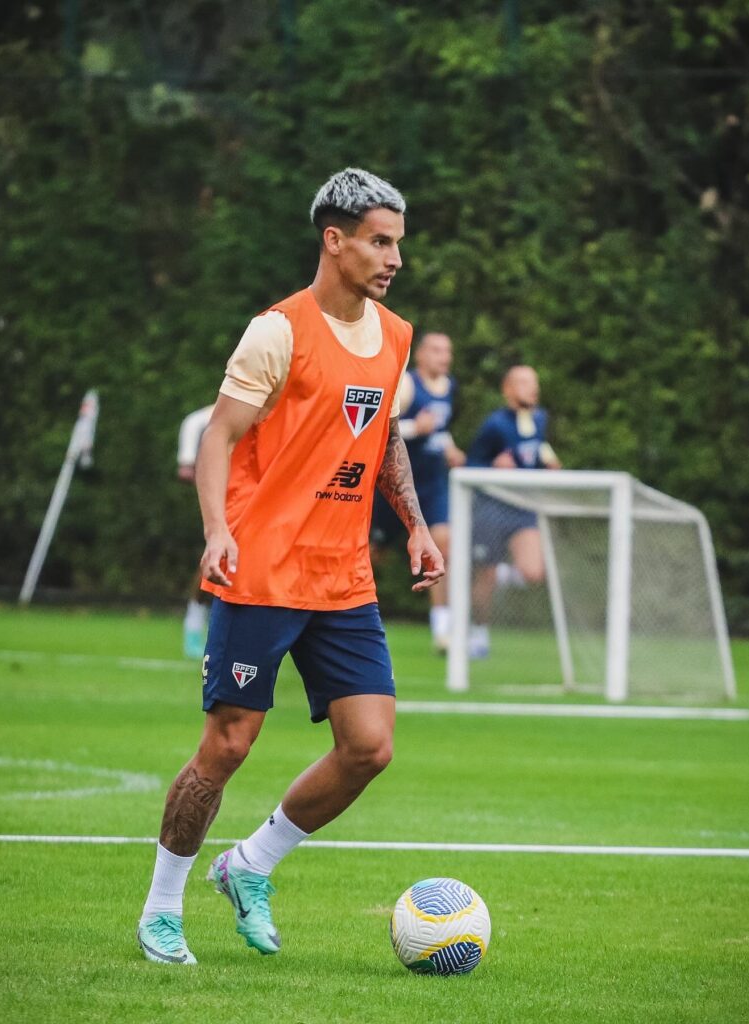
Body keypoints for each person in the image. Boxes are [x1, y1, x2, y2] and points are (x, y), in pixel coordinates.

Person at [137, 167, 445, 966]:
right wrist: (215, 529)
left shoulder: (396, 334)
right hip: (262, 571)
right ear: (333, 241)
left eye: (398, 244)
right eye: (380, 242)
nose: (394, 260)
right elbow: (218, 436)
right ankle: (162, 907)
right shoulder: (275, 331)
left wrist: (414, 524)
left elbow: (381, 437)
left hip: (342, 576)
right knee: (227, 747)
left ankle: (249, 865)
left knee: (369, 747)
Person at [370, 331, 465, 652]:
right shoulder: (408, 385)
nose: (444, 357)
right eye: (437, 350)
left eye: (448, 351)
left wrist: (450, 448)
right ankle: (353, 616)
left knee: (444, 547)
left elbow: (440, 428)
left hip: (431, 487)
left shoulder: (450, 387)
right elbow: (382, 428)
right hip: (395, 488)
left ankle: (443, 631)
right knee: (370, 556)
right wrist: (414, 429)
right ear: (421, 355)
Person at [466, 365, 560, 658]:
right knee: (485, 578)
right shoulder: (494, 425)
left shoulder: (540, 418)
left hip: (523, 508)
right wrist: (492, 467)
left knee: (534, 572)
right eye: (523, 382)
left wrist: (549, 463)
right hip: (492, 508)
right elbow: (470, 465)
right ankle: (479, 634)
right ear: (507, 390)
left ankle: (503, 573)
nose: (532, 388)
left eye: (534, 382)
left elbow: (537, 449)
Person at [177, 405, 215, 658]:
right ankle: (194, 624)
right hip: (225, 499)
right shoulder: (205, 419)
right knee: (215, 557)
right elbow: (186, 469)